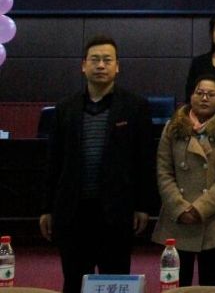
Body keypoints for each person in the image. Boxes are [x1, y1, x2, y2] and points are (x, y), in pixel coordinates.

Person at [39, 35, 155, 293]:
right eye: (95, 60)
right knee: (74, 280)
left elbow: (144, 161)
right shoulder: (65, 108)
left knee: (115, 280)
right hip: (73, 211)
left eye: (107, 60)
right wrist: (47, 208)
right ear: (83, 66)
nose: (101, 65)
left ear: (117, 66)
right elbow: (53, 162)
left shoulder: (135, 107)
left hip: (116, 211)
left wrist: (143, 206)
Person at [154, 75, 215, 286]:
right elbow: (164, 171)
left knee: (212, 286)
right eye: (199, 93)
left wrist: (200, 209)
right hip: (177, 216)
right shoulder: (172, 127)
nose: (204, 98)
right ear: (191, 96)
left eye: (211, 94)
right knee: (175, 286)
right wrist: (180, 208)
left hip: (213, 219)